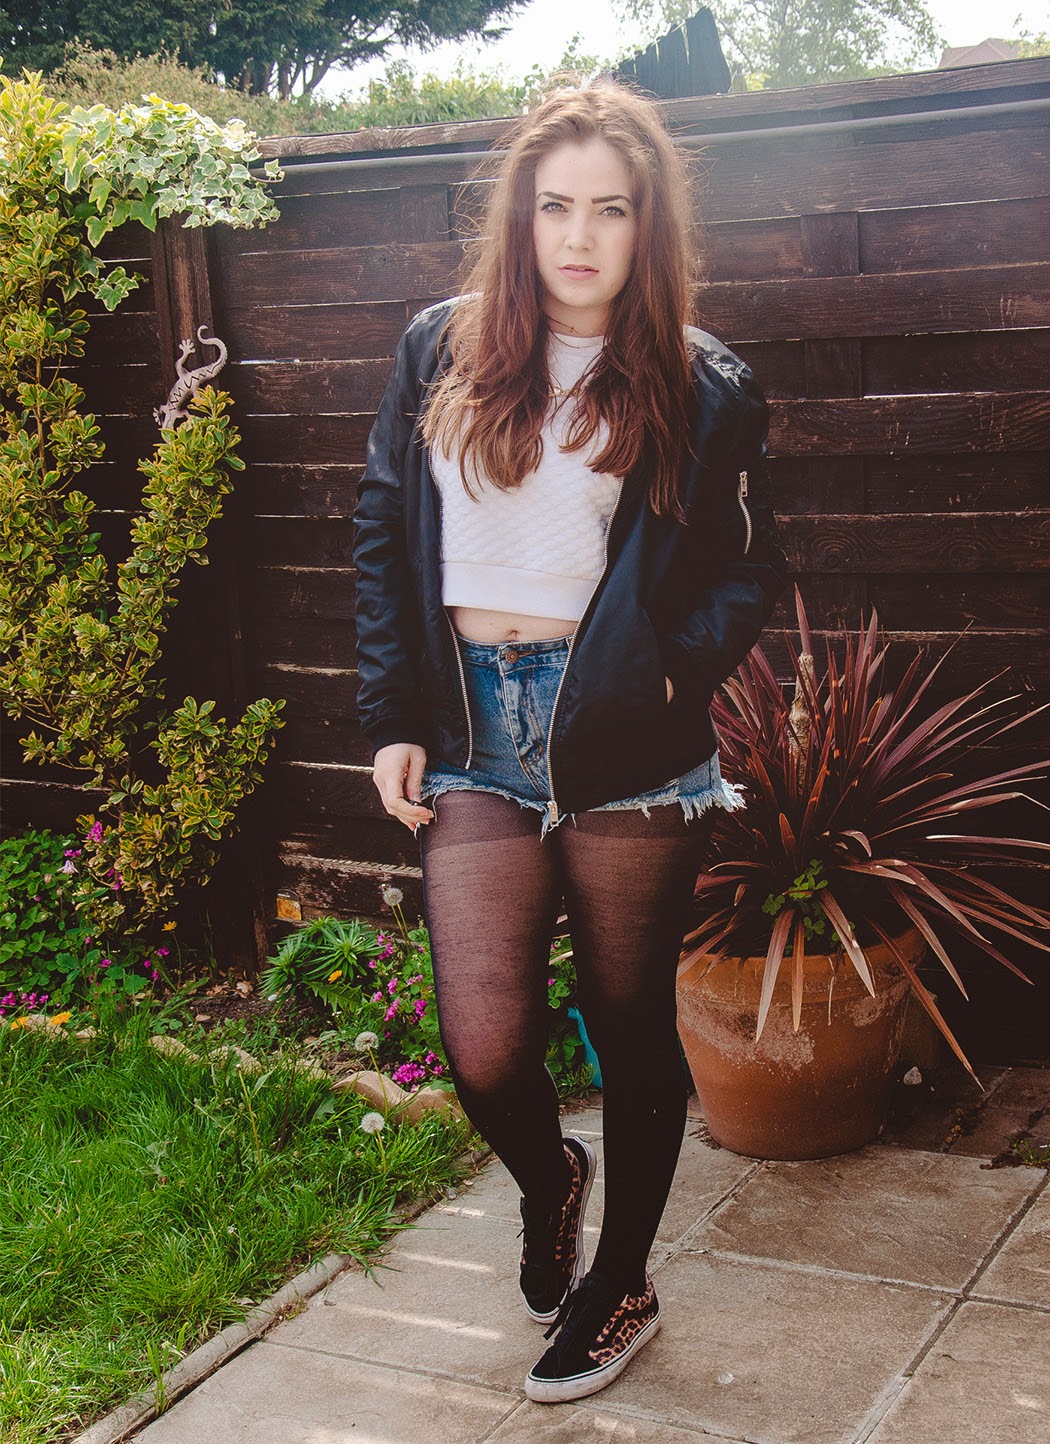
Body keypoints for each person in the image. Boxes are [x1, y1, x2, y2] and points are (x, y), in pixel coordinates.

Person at [353, 81, 788, 1403]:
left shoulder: (700, 382)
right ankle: (553, 1179)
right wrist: (390, 715)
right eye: (555, 207)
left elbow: (744, 571)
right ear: (520, 217)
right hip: (472, 724)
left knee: (626, 1020)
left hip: (626, 743)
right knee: (484, 1047)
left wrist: (666, 671)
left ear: (647, 224)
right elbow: (383, 530)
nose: (580, 236)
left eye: (610, 208)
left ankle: (623, 1284)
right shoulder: (439, 349)